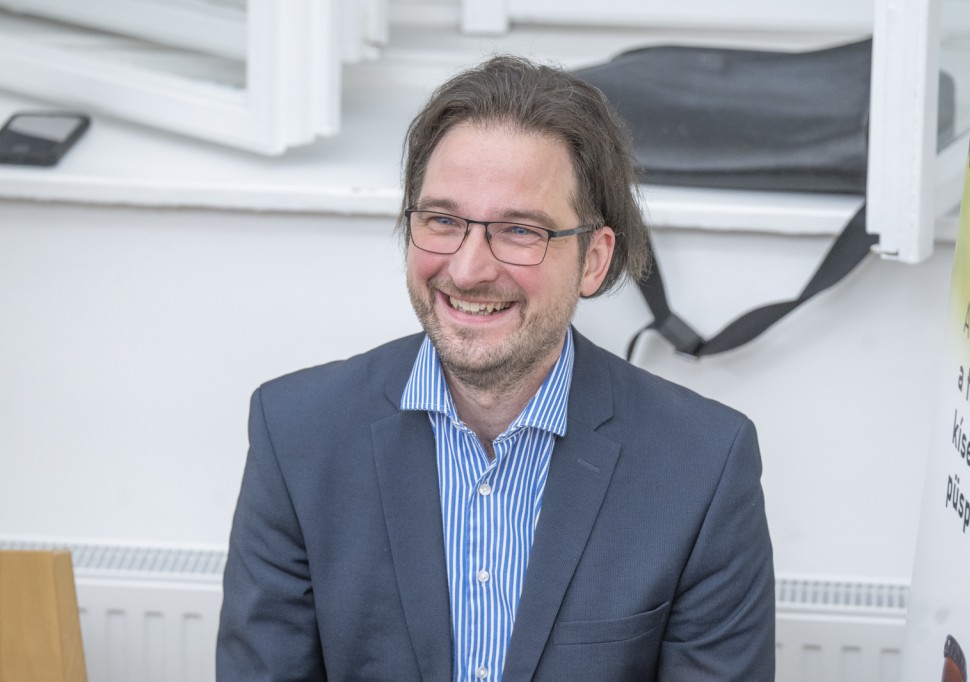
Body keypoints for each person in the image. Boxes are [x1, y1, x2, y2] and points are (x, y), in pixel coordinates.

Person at [216, 55, 774, 681]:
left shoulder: (705, 466)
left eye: (519, 230)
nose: (468, 269)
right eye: (443, 220)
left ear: (593, 260)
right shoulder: (295, 435)